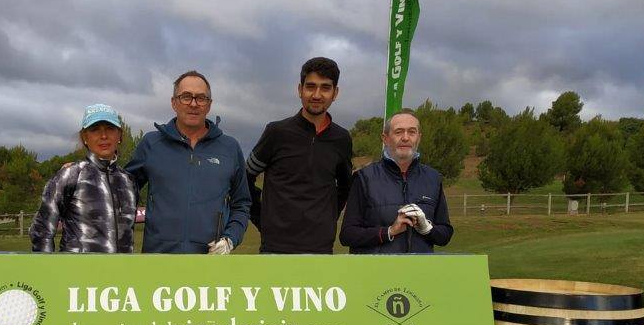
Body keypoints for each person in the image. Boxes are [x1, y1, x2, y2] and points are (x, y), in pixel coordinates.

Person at [124, 71, 251, 254]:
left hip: (210, 262)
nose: (193, 104)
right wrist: (89, 172)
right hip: (158, 261)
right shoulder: (151, 144)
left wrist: (231, 238)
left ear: (209, 105)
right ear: (173, 102)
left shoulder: (230, 148)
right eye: (186, 97)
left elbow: (241, 204)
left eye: (201, 98)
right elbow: (122, 192)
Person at [246, 57, 353, 253]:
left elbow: (345, 187)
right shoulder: (276, 132)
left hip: (320, 250)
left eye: (325, 87)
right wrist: (263, 219)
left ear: (335, 93)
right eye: (310, 86)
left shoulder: (342, 139)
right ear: (300, 89)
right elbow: (244, 179)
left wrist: (327, 219)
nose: (317, 94)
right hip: (275, 249)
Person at [339, 109, 453, 253]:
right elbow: (347, 235)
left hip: (419, 272)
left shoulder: (433, 178)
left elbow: (445, 235)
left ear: (419, 137)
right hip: (375, 272)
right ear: (385, 138)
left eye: (412, 132)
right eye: (398, 132)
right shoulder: (364, 178)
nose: (405, 138)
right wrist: (389, 232)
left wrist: (427, 229)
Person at [30, 103, 137, 253]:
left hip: (121, 274)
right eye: (95, 130)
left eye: (110, 129)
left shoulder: (129, 181)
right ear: (85, 137)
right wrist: (48, 271)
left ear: (119, 135)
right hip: (76, 274)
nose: (104, 136)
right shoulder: (70, 175)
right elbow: (42, 230)